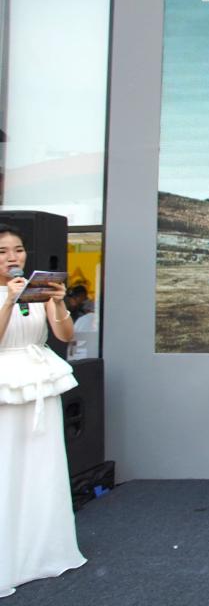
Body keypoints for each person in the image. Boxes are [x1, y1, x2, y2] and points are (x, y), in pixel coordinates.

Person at [0, 224, 84, 598]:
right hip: (7, 385)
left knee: (42, 466)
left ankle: (43, 550)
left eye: (18, 250)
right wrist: (8, 300)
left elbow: (65, 336)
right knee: (7, 467)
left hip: (40, 381)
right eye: (3, 252)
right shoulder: (9, 293)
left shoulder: (37, 291)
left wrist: (58, 302)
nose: (13, 257)